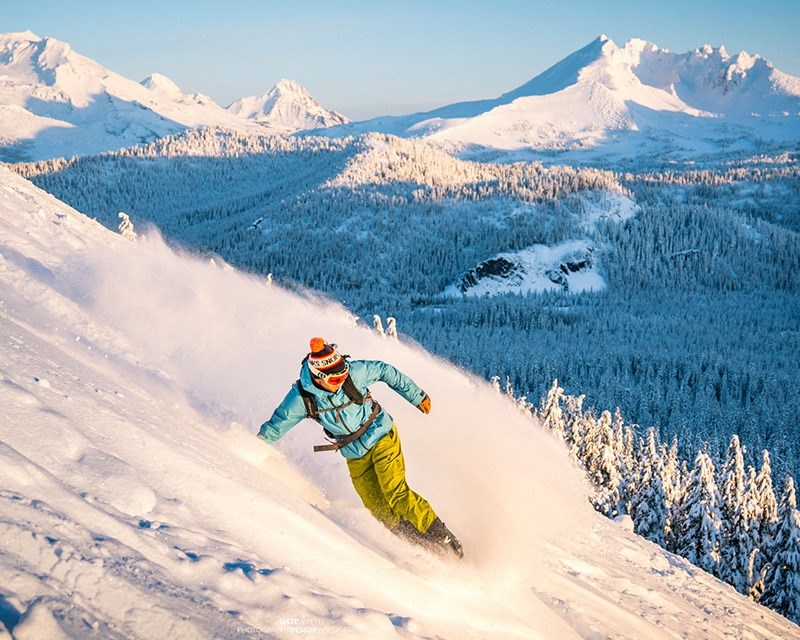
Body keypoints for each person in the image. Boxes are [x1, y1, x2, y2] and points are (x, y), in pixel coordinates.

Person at [258, 337, 463, 558]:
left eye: (343, 372)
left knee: (395, 492)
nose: (342, 378)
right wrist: (251, 448)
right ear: (319, 377)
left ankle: (447, 543)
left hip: (381, 434)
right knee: (376, 506)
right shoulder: (302, 398)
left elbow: (385, 371)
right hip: (354, 453)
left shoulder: (354, 374)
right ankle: (422, 546)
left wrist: (417, 396)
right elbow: (278, 423)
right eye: (336, 378)